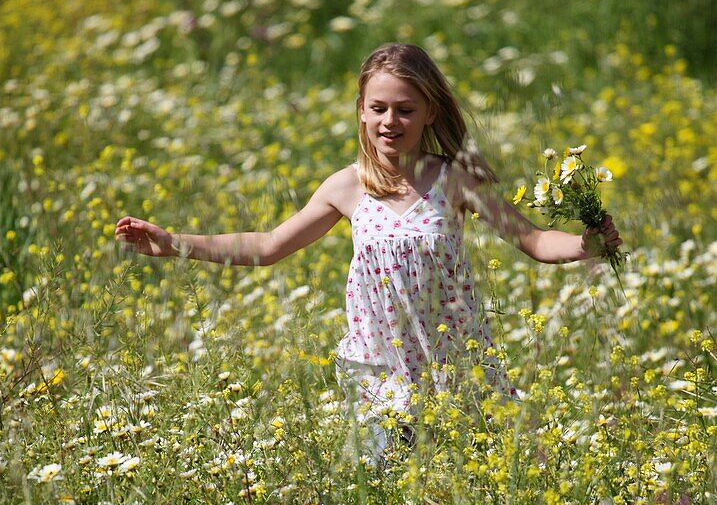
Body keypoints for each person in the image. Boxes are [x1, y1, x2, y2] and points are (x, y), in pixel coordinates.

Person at [115, 43, 622, 456]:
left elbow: (533, 239)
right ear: (361, 112)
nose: (389, 121)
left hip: (456, 367)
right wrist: (174, 243)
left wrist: (586, 244)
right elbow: (268, 245)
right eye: (377, 109)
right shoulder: (347, 187)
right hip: (381, 373)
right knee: (392, 491)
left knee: (468, 490)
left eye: (405, 110)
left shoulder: (454, 181)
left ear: (430, 113)